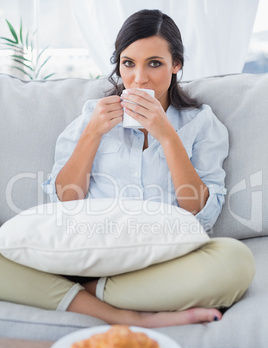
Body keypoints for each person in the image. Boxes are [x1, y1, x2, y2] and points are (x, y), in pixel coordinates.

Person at [0, 9, 255, 328]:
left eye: (155, 63)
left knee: (236, 262)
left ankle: (83, 294)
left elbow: (201, 213)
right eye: (128, 63)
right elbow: (65, 201)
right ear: (118, 66)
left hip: (160, 262)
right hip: (84, 252)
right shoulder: (91, 118)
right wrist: (92, 133)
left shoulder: (202, 124)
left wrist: (167, 135)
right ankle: (122, 313)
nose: (139, 78)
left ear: (176, 65)